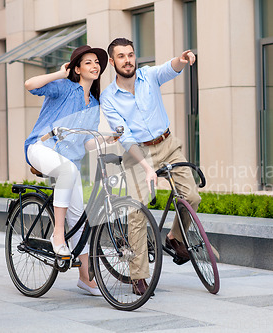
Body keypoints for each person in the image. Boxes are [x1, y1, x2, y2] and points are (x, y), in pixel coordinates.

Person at [100, 38, 201, 295]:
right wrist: (147, 167)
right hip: (137, 153)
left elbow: (170, 68)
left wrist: (183, 59)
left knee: (191, 196)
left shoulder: (148, 76)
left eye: (131, 54)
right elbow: (125, 138)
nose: (128, 60)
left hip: (167, 144)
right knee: (136, 213)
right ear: (112, 62)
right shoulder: (109, 97)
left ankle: (175, 238)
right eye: (121, 56)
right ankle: (139, 276)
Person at [24, 45, 108, 296]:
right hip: (39, 147)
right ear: (77, 68)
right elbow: (30, 84)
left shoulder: (93, 102)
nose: (95, 66)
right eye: (89, 62)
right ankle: (57, 236)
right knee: (69, 170)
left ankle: (85, 278)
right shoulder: (64, 87)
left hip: (67, 163)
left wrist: (108, 139)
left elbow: (85, 142)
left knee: (79, 217)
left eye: (97, 62)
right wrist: (60, 74)